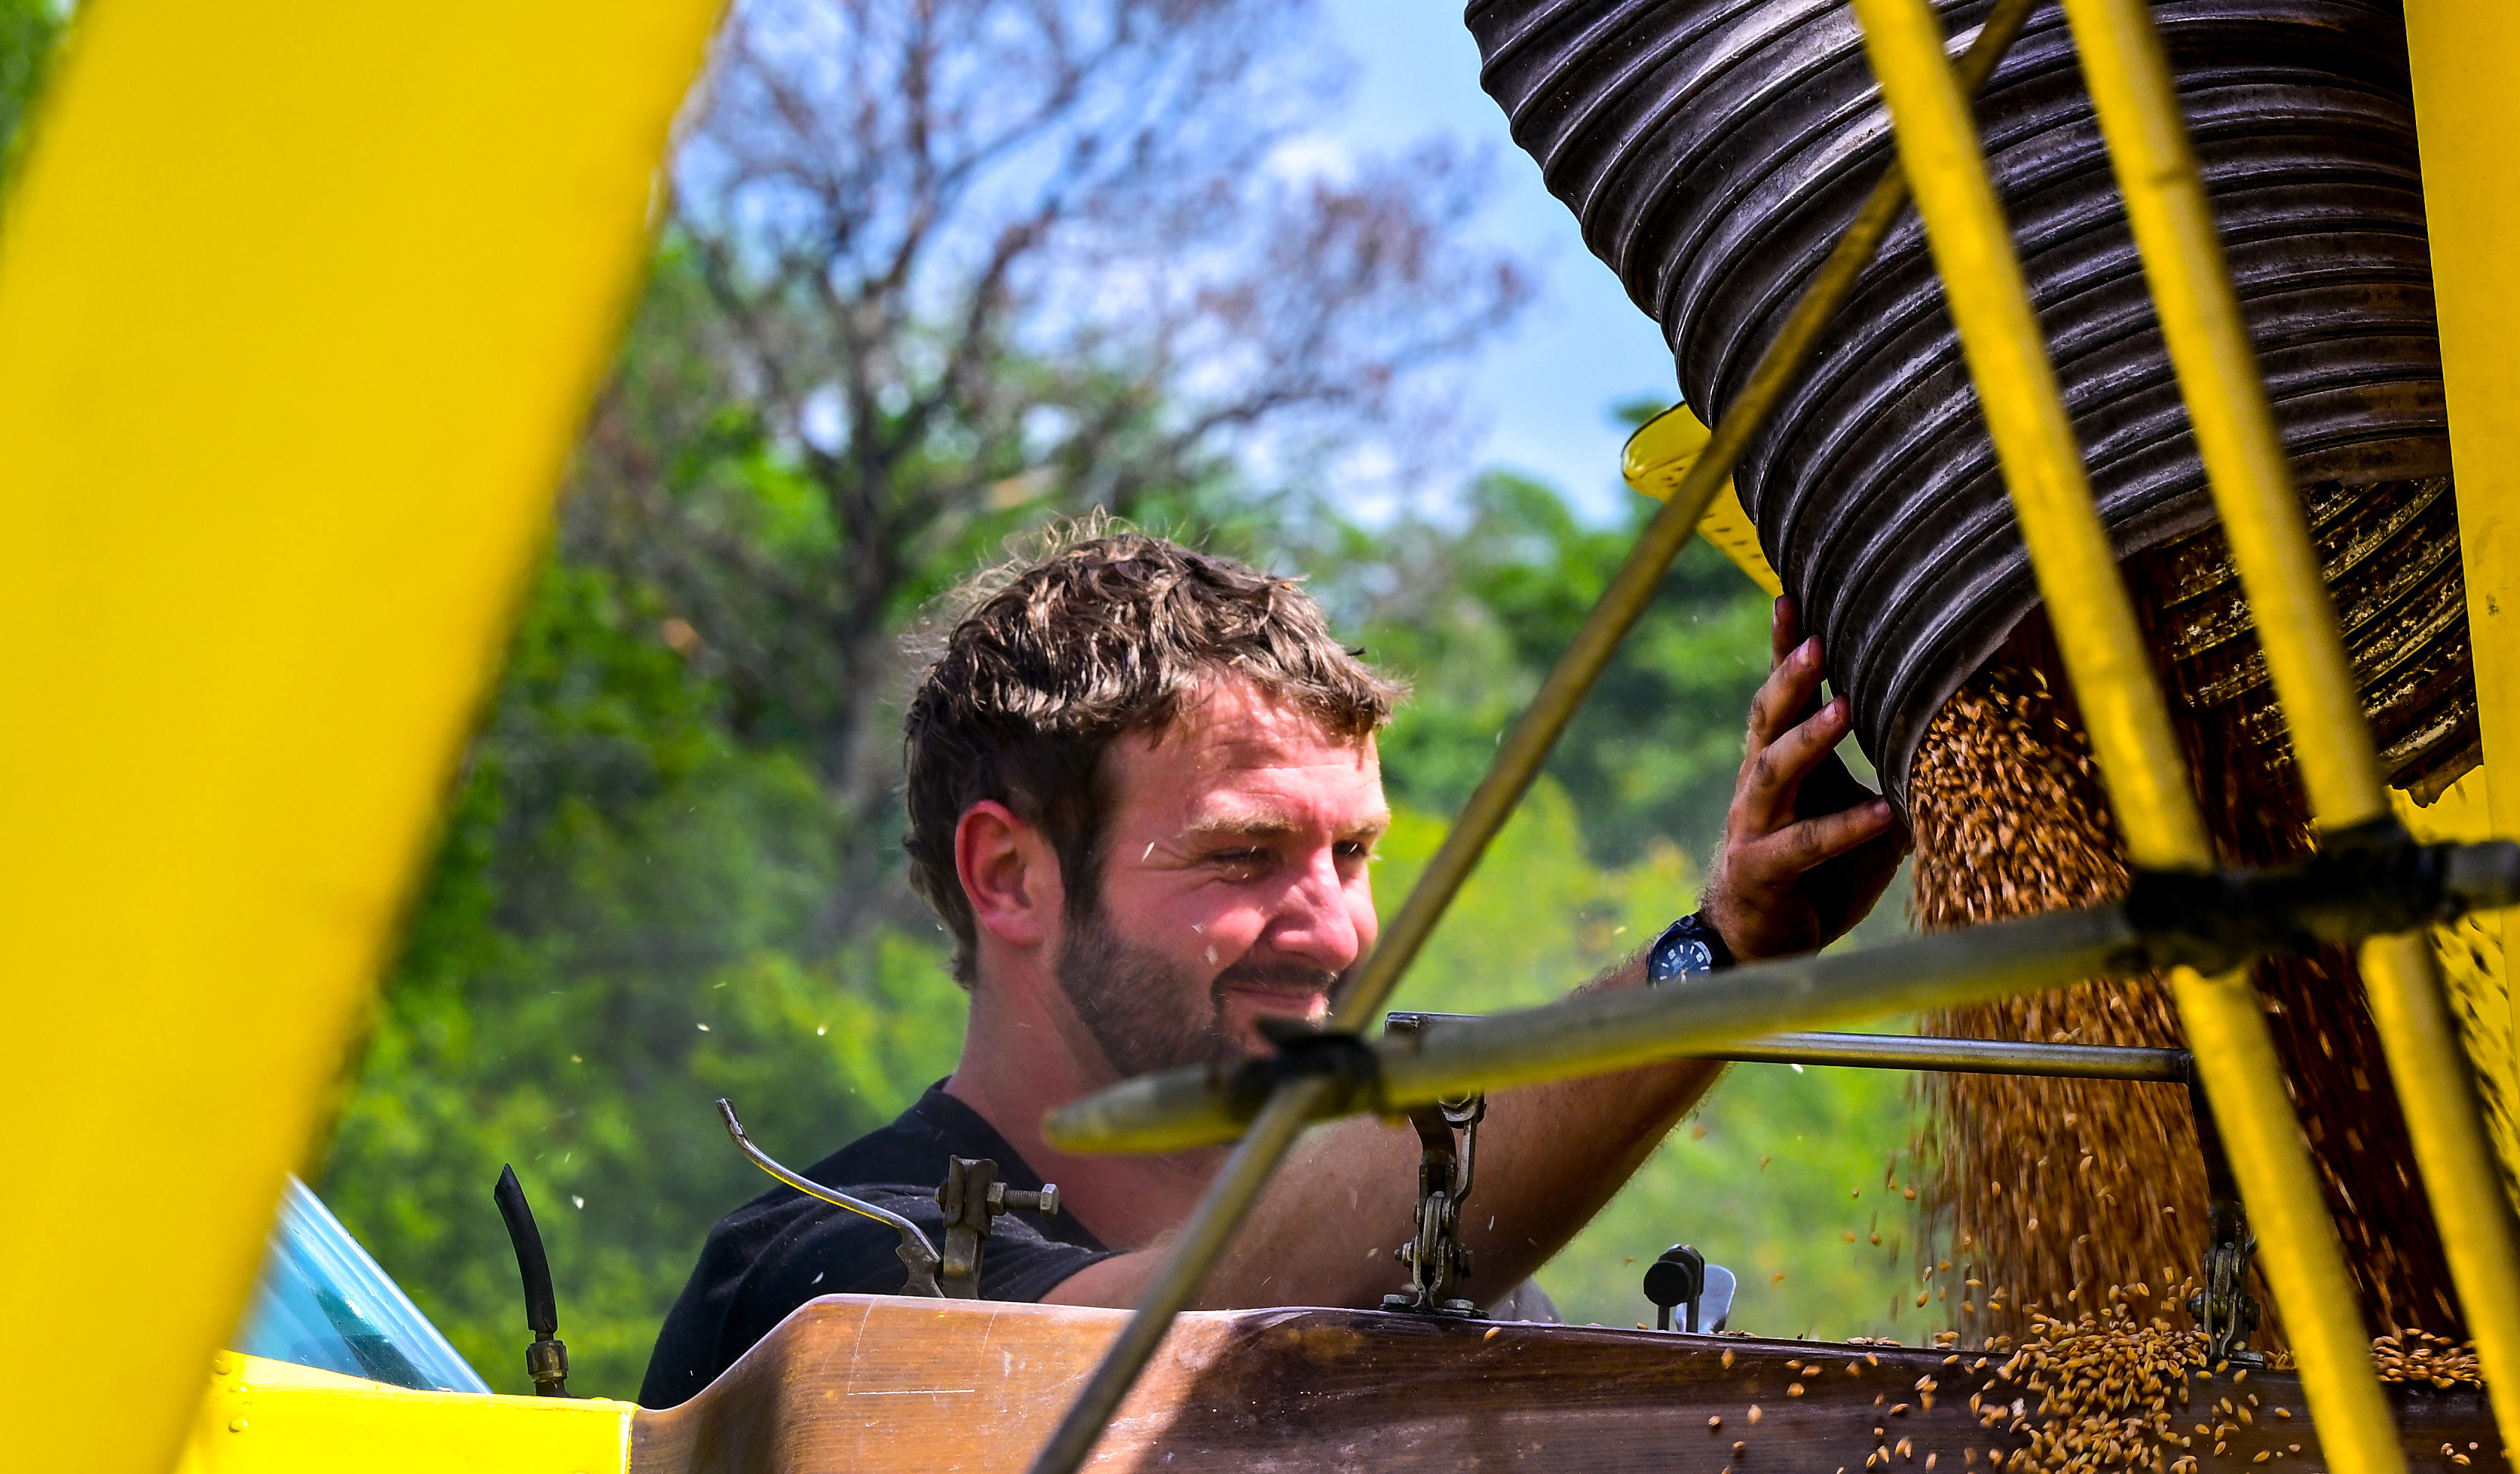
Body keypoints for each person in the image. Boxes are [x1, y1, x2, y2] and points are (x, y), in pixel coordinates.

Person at [638, 524, 1903, 1406]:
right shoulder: (823, 1280)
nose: (1334, 930)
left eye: (1351, 854)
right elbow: (1195, 1327)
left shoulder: (1445, 1292)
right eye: (1241, 857)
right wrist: (1712, 964)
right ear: (1008, 876)